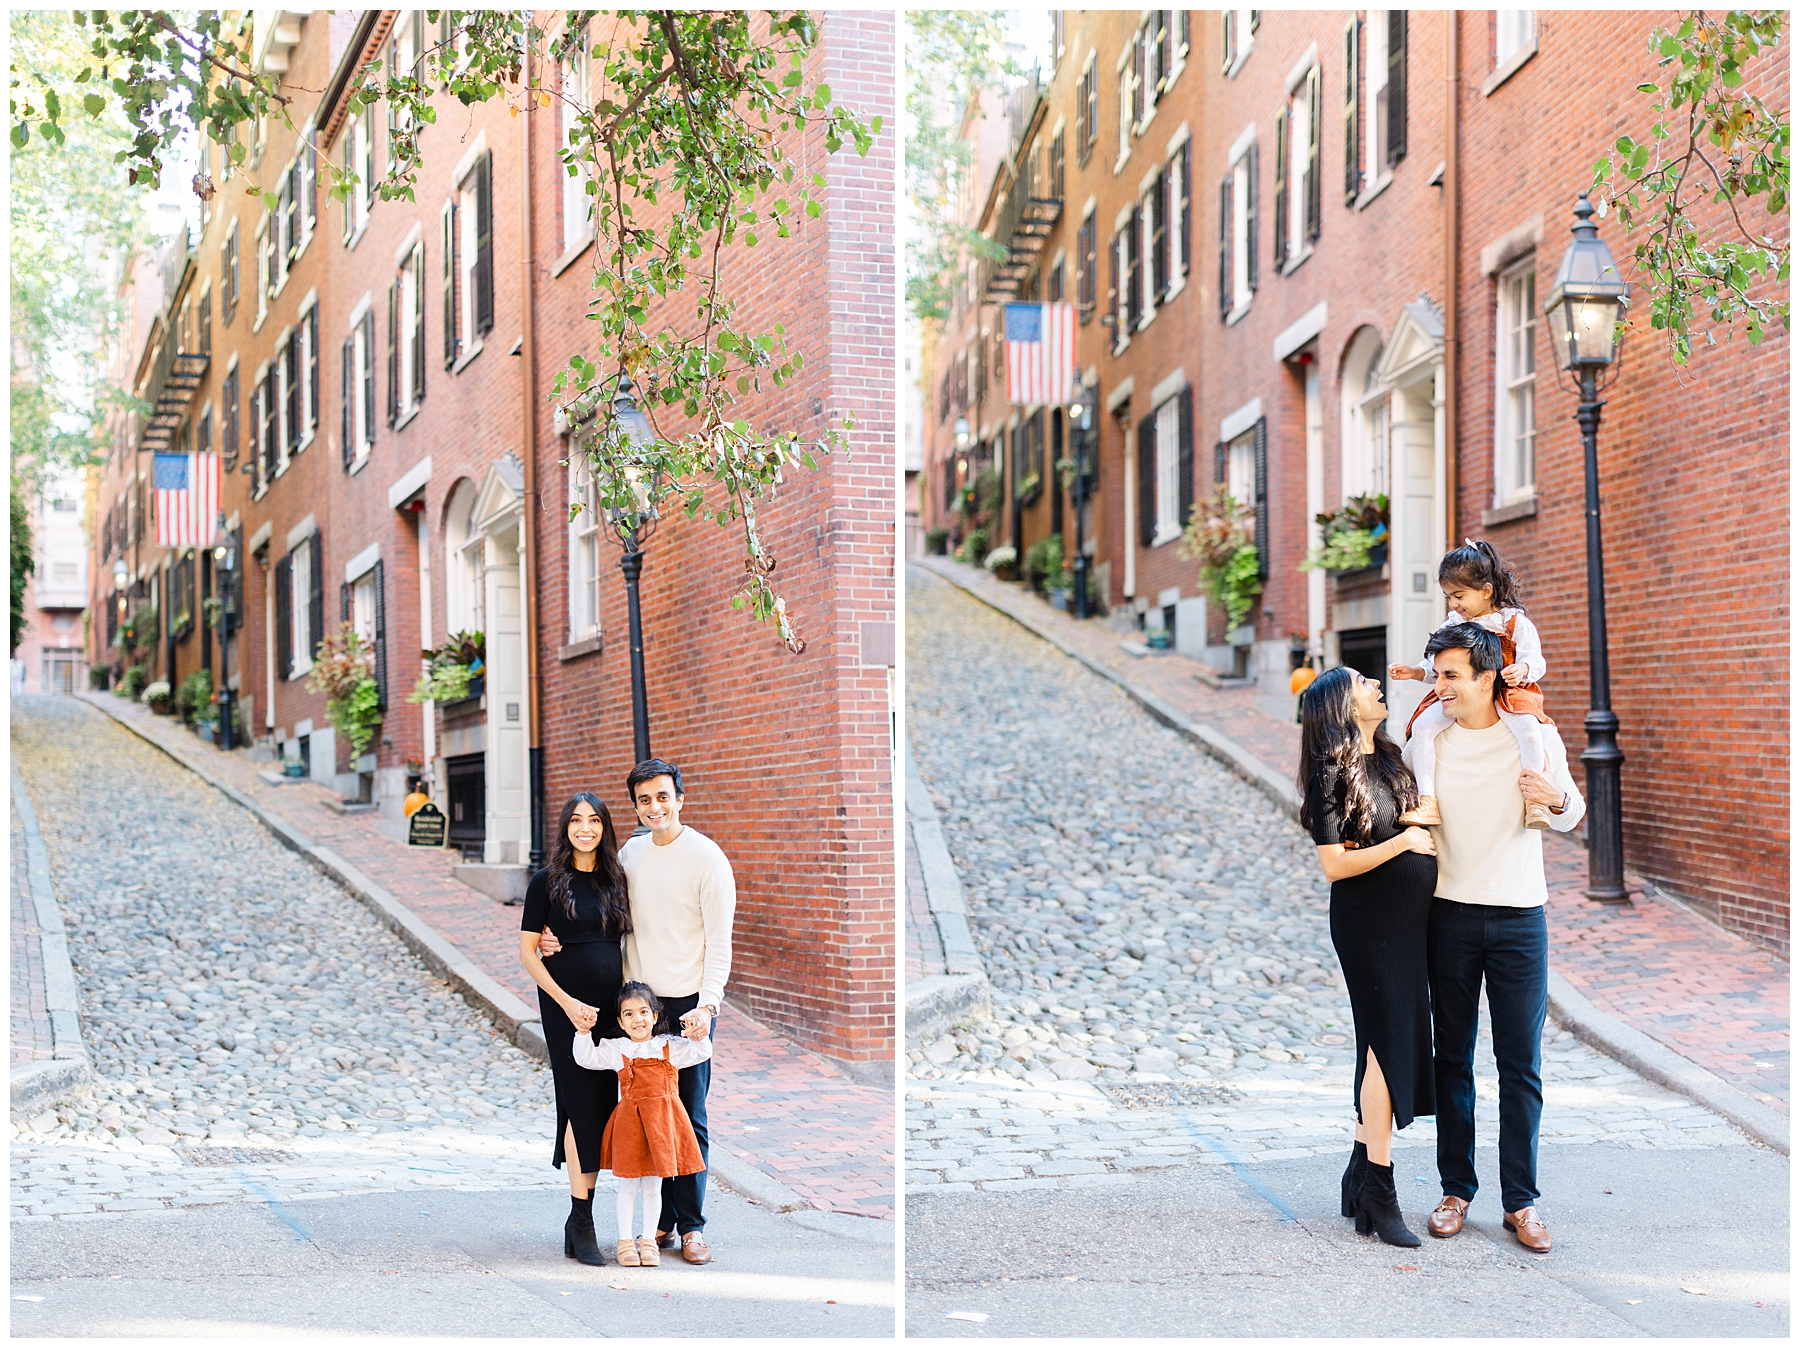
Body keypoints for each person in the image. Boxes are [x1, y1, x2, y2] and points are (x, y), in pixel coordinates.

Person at [1409, 622, 1584, 1253]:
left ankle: (1522, 1202)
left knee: (1520, 1066)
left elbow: (1573, 812)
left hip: (1518, 920)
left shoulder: (1533, 739)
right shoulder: (1429, 745)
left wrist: (1557, 798)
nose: (1439, 687)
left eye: (1451, 676)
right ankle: (1456, 1188)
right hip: (1449, 916)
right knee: (1451, 1058)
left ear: (1489, 677)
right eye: (1435, 675)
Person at [538, 758, 734, 1265]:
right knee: (639, 1112)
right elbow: (600, 911)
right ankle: (656, 1224)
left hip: (687, 1002)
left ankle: (687, 1226)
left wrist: (708, 1006)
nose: (654, 807)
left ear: (680, 799)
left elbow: (720, 943)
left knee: (687, 1114)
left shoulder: (707, 859)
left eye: (663, 797)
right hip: (636, 1006)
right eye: (644, 800)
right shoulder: (630, 855)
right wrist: (552, 934)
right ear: (636, 807)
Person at [1298, 666, 1438, 1248]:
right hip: (1369, 925)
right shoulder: (1333, 771)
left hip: (1408, 923)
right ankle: (1381, 1189)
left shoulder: (1387, 755)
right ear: (1339, 703)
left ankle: (1359, 1175)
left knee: (1380, 1045)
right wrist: (1404, 843)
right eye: (1361, 681)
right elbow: (1335, 865)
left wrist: (1413, 823)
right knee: (1388, 1043)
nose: (1374, 684)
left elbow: (1397, 821)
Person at [518, 793, 632, 1267]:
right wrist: (567, 1005)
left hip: (610, 1008)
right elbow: (527, 952)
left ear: (604, 828)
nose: (585, 829)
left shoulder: (616, 879)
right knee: (577, 1100)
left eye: (594, 821)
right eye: (576, 821)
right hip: (565, 1008)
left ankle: (579, 1219)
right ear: (565, 827)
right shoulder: (546, 882)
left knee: (604, 1105)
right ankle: (581, 1219)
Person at [1388, 539, 1555, 829]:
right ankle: (1427, 799)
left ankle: (1535, 800)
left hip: (1507, 691)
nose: (1453, 604)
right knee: (1423, 727)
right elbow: (1436, 664)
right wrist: (1416, 671)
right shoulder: (1452, 625)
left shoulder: (1513, 623)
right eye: (1448, 597)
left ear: (1486, 591)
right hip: (1462, 693)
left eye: (1459, 595)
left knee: (1529, 730)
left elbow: (1537, 661)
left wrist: (1522, 669)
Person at [572, 981, 713, 1266]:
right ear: (620, 1022)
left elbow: (701, 1053)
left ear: (656, 1016)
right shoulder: (617, 1048)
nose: (638, 1019)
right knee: (628, 1187)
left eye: (643, 1012)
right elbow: (586, 1058)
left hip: (662, 1127)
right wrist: (583, 1032)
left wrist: (698, 1034)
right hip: (631, 1126)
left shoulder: (669, 1046)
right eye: (629, 1014)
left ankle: (649, 1240)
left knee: (653, 1187)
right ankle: (625, 1241)